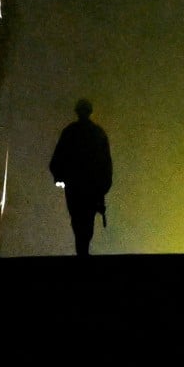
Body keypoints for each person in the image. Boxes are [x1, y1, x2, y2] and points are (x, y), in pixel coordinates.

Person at [50, 98, 113, 256]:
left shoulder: (70, 132)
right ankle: (83, 251)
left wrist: (60, 177)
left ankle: (82, 251)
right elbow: (106, 164)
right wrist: (103, 186)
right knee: (86, 220)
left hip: (75, 186)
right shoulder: (97, 133)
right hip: (90, 186)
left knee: (78, 219)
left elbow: (57, 160)